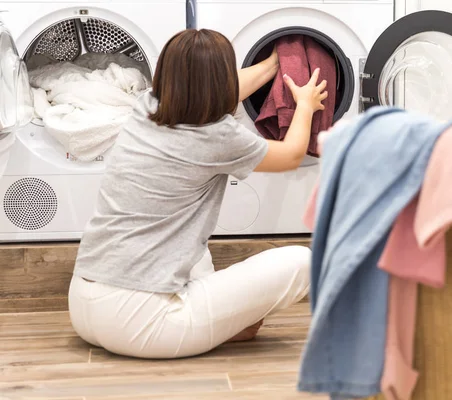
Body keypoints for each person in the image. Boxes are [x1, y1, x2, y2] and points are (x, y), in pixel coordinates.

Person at [68, 29, 328, 359]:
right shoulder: (219, 137)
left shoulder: (145, 107)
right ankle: (220, 325)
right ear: (220, 79)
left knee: (193, 247)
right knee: (302, 261)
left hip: (84, 303)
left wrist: (276, 62)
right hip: (143, 323)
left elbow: (221, 91)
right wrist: (305, 104)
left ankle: (217, 323)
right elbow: (292, 154)